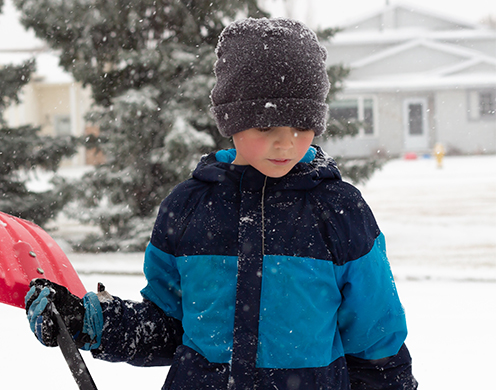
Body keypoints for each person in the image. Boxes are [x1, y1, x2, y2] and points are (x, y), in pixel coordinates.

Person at [25, 17, 417, 390]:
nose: (286, 143)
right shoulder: (189, 207)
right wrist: (86, 321)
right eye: (266, 127)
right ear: (232, 120)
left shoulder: (339, 211)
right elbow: (166, 325)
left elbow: (374, 339)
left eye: (301, 125)